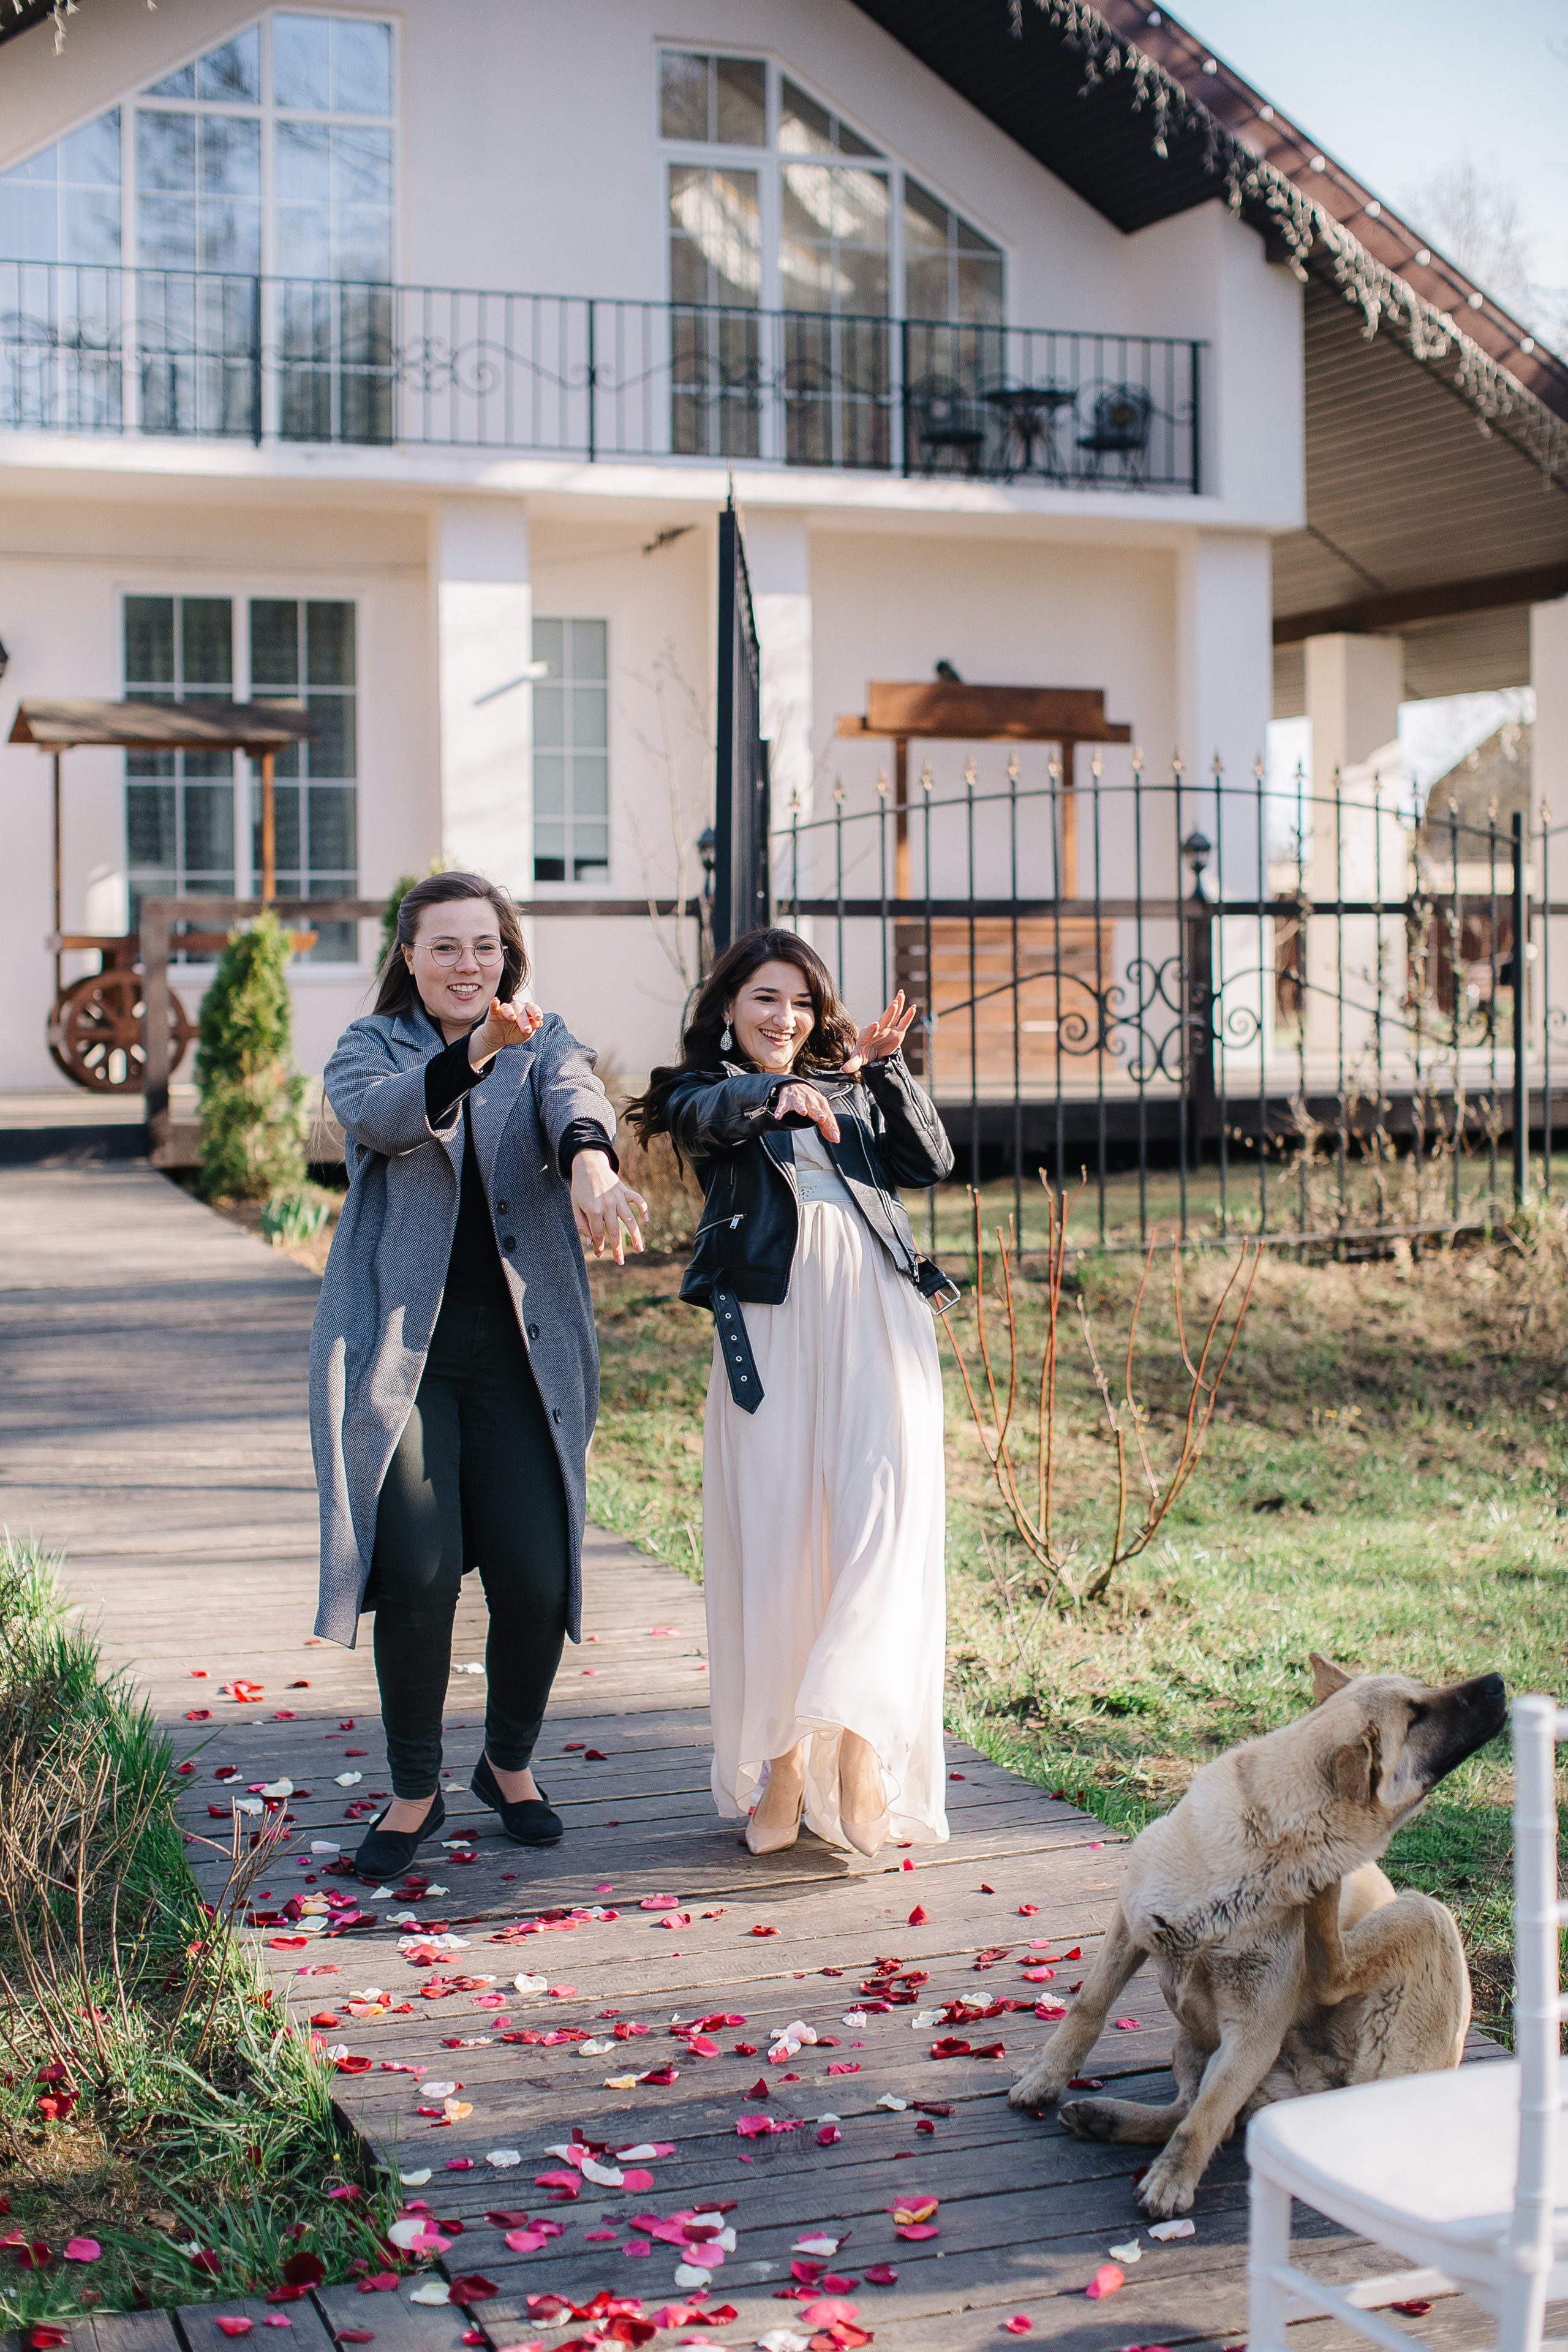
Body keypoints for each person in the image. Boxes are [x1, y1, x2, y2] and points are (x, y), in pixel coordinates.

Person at [309, 872, 647, 1882]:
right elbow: (378, 1120)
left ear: (509, 956)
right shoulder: (371, 1048)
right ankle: (416, 1788)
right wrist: (475, 1053)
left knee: (537, 1583)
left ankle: (507, 1765)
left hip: (522, 1358)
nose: (468, 964)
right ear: (407, 957)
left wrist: (591, 1162)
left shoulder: (544, 1039)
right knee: (414, 1571)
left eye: (485, 946)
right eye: (445, 946)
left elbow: (575, 1095)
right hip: (404, 1357)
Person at [627, 928, 956, 1858]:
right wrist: (777, 1092)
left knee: (881, 1527)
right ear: (729, 1005)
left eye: (803, 1002)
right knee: (777, 1542)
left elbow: (925, 1165)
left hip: (879, 1318)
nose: (786, 1018)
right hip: (770, 1327)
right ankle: (783, 1763)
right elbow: (708, 1116)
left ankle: (857, 1750)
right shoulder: (700, 1091)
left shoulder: (851, 1086)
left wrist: (885, 1075)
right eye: (766, 998)